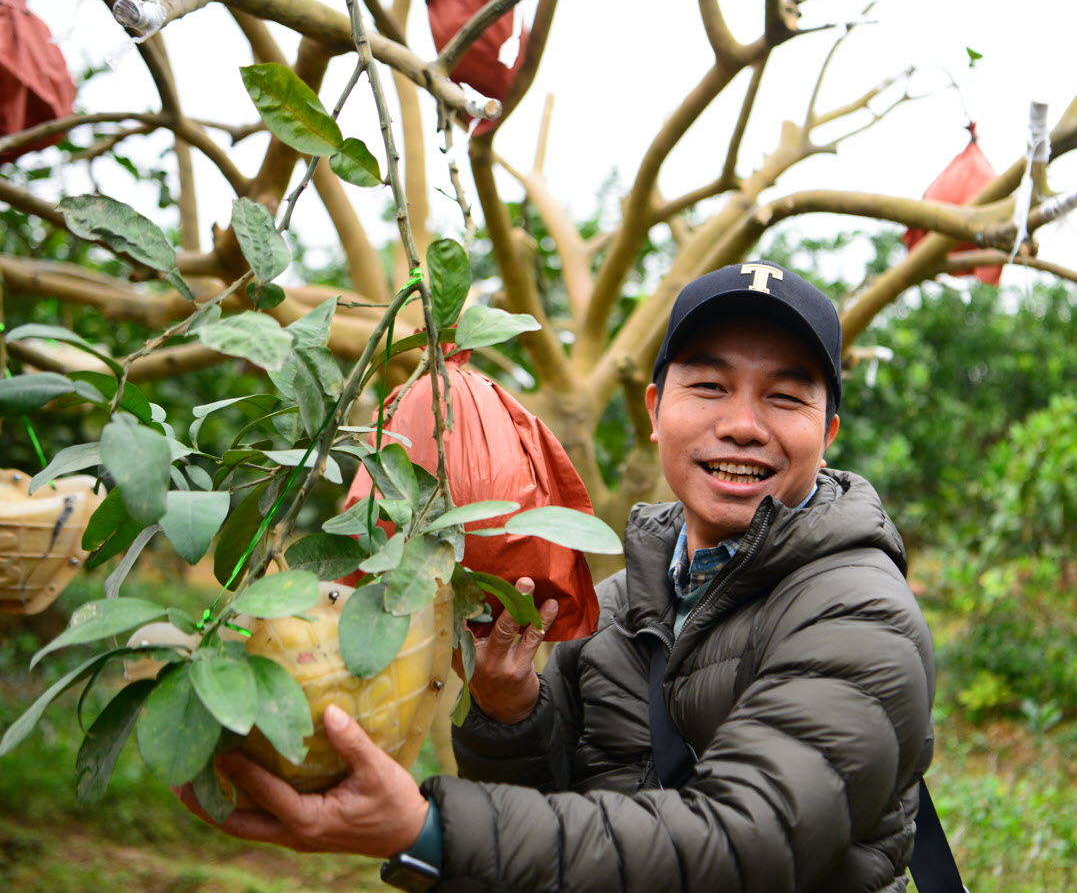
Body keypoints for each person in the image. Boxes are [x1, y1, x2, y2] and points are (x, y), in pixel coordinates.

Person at [178, 261, 938, 892]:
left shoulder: (862, 615)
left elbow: (749, 848)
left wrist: (426, 829)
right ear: (654, 408)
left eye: (784, 394)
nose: (742, 422)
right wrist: (511, 713)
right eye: (708, 385)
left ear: (829, 430)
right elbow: (564, 832)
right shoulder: (613, 606)